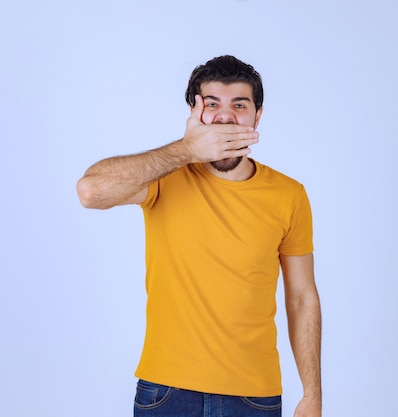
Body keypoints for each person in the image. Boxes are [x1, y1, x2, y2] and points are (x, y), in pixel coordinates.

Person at [77, 55, 321, 417]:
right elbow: (90, 191)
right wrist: (187, 149)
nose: (225, 117)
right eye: (212, 105)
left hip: (255, 397)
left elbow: (302, 298)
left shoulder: (289, 195)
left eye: (239, 105)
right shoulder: (163, 177)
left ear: (258, 116)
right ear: (195, 113)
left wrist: (312, 393)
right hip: (166, 393)